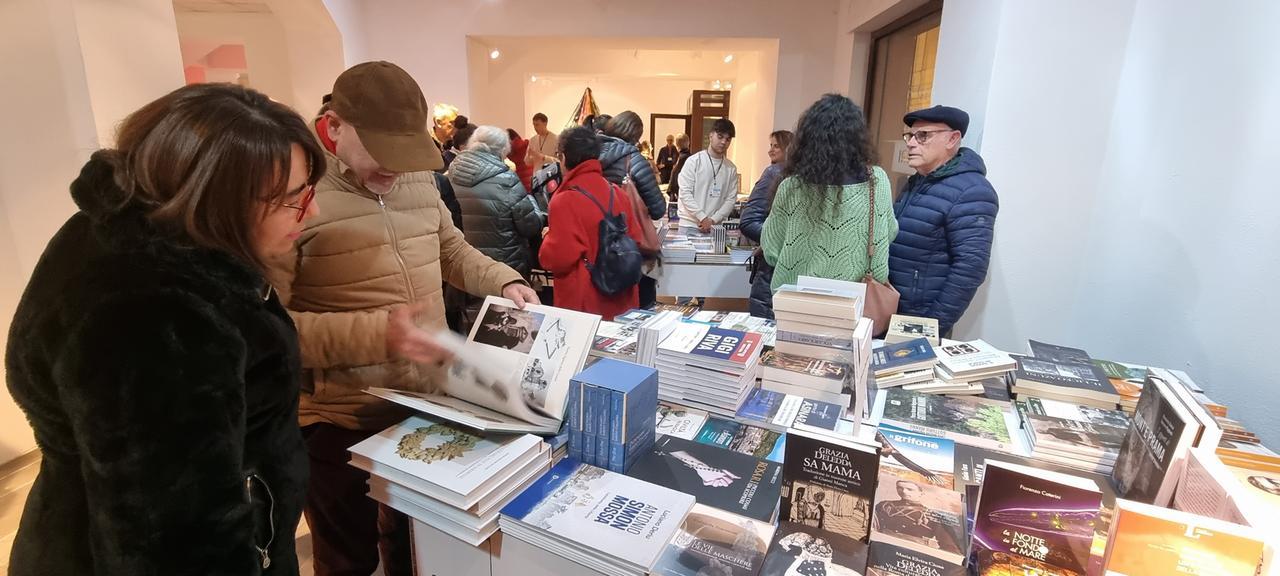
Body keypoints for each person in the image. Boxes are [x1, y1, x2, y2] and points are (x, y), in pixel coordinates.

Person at [5, 83, 323, 574]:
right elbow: (174, 540)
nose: (311, 212)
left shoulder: (130, 240)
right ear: (215, 199)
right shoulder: (156, 316)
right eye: (291, 200)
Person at [269, 61, 537, 576]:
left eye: (404, 153)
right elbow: (269, 330)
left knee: (413, 547)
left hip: (425, 404)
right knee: (346, 557)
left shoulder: (416, 176)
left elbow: (451, 251)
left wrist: (503, 279)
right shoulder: (293, 191)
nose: (394, 169)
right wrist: (379, 335)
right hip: (337, 419)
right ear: (335, 126)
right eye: (381, 154)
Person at [761, 94, 896, 293]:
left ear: (806, 138)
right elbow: (889, 232)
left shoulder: (792, 186)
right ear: (859, 137)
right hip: (856, 301)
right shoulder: (876, 181)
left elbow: (771, 249)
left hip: (796, 301)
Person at [889, 105, 998, 337]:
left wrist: (931, 326)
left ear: (953, 139)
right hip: (896, 311)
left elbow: (970, 268)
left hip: (921, 320)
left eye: (923, 135)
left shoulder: (973, 191)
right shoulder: (917, 182)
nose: (910, 143)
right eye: (910, 135)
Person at [539, 126, 647, 320]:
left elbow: (557, 259)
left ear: (563, 157)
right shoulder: (617, 193)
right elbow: (636, 240)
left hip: (585, 303)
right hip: (622, 296)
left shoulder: (564, 200)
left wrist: (547, 237)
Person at [450, 125, 547, 324]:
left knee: (470, 324)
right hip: (504, 265)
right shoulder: (505, 180)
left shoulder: (449, 174)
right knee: (506, 326)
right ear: (502, 151)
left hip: (461, 266)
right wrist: (533, 203)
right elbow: (530, 225)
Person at [739, 129, 793, 319]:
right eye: (770, 145)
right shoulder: (773, 173)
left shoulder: (802, 177)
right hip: (772, 268)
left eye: (776, 146)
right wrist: (781, 242)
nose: (770, 150)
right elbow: (749, 221)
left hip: (781, 272)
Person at [676, 119, 740, 231]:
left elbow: (730, 200)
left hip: (715, 227)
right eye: (720, 137)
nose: (724, 142)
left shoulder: (731, 169)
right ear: (710, 136)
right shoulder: (694, 161)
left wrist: (713, 220)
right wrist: (703, 217)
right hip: (689, 225)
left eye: (728, 139)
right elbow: (685, 193)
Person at [872, 479, 962, 554]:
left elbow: (950, 547)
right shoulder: (884, 505)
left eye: (910, 489)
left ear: (921, 493)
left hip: (911, 553)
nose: (903, 491)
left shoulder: (933, 516)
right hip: (881, 547)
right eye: (899, 488)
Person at [665, 133, 693, 202]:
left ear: (677, 145)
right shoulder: (693, 158)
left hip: (681, 194)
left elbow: (675, 176)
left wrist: (671, 191)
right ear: (688, 143)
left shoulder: (681, 159)